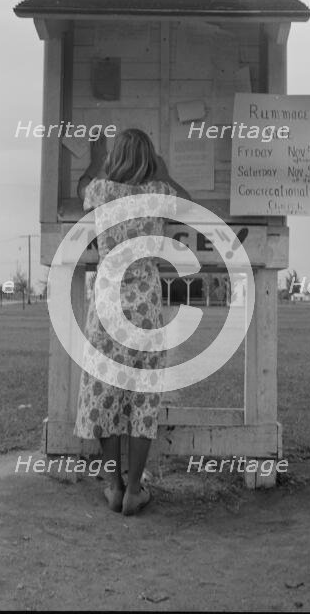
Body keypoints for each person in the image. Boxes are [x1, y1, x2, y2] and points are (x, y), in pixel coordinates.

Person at [75, 129, 191, 515]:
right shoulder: (159, 192)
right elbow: (189, 204)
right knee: (142, 399)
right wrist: (165, 171)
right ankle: (135, 489)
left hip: (106, 309)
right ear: (149, 159)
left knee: (105, 394)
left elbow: (82, 189)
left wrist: (95, 162)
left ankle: (113, 484)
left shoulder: (100, 191)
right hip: (144, 308)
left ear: (116, 158)